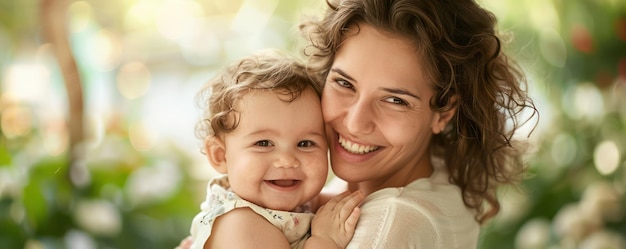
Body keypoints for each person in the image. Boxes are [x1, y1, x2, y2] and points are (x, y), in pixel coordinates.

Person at [179, 0, 537, 248]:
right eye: (344, 84)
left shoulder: (392, 222)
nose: (354, 121)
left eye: (395, 100)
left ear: (443, 113)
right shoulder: (433, 171)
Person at [187, 50, 364, 249]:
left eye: (305, 144)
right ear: (221, 156)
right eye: (263, 143)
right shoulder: (241, 225)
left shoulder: (299, 202)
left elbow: (343, 206)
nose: (287, 160)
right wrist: (325, 241)